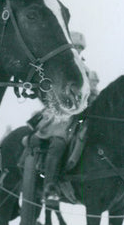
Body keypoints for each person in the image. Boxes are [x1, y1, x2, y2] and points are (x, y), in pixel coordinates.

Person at [27, 31, 98, 200]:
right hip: (59, 115)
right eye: (75, 47)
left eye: (80, 48)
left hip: (80, 114)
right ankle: (50, 185)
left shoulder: (85, 70)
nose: (78, 51)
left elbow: (91, 92)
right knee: (58, 142)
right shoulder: (58, 66)